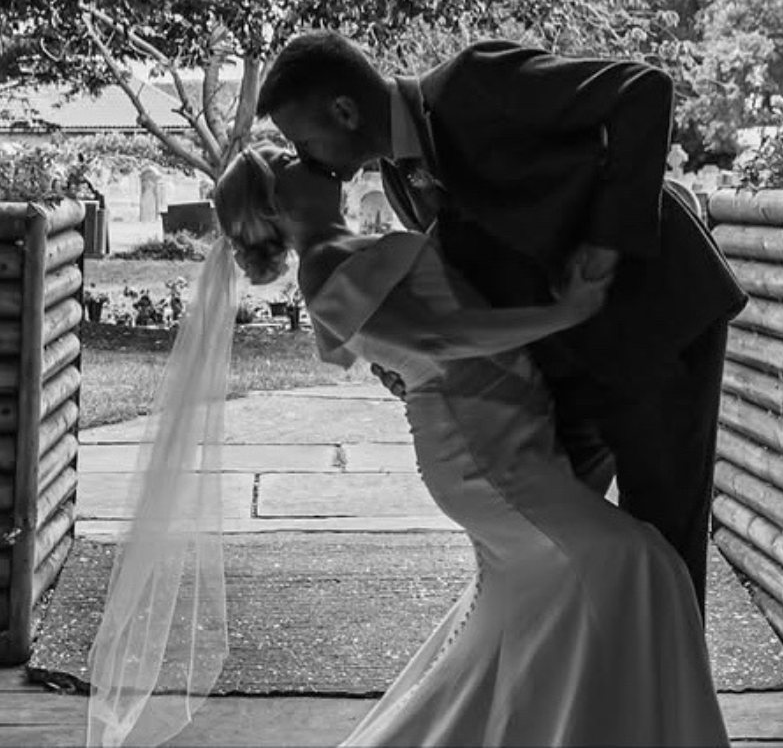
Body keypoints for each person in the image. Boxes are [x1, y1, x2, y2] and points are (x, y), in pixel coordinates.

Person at [211, 144, 730, 747]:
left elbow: (404, 333)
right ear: (278, 202)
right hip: (481, 451)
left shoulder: (341, 251)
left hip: (496, 428)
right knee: (640, 562)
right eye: (290, 160)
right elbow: (441, 334)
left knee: (552, 599)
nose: (314, 160)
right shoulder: (325, 264)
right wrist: (566, 312)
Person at [256, 31, 749, 613]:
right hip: (565, 365)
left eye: (305, 142)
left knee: (664, 539)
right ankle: (597, 694)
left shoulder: (476, 81)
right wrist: (404, 358)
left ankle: (673, 700)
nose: (308, 161)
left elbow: (644, 90)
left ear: (344, 111)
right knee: (557, 547)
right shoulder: (398, 181)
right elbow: (462, 299)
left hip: (658, 320)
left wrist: (604, 245)